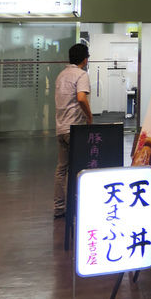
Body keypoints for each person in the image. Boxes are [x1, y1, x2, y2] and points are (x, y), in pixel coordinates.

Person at [54, 42, 92, 219]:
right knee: (79, 168)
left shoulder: (61, 75)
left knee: (62, 169)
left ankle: (59, 207)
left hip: (60, 128)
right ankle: (77, 207)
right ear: (85, 59)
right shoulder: (81, 75)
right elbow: (81, 98)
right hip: (74, 129)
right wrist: (89, 117)